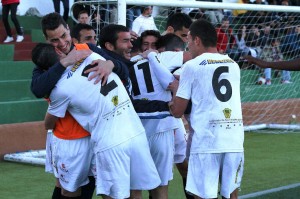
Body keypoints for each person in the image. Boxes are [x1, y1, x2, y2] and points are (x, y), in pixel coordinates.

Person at [42, 45, 161, 199]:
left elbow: (48, 124)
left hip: (111, 143)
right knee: (135, 193)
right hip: (136, 134)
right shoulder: (93, 57)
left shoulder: (60, 89)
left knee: (113, 196)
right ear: (59, 53)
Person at [168, 19, 244, 199]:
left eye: (188, 41)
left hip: (207, 141)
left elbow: (178, 111)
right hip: (234, 139)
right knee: (231, 195)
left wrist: (175, 92)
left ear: (197, 40)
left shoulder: (191, 66)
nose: (188, 46)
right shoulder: (233, 64)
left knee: (202, 196)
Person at [31, 43, 96, 199]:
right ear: (57, 52)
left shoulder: (48, 76)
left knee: (74, 184)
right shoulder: (58, 84)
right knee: (70, 188)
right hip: (68, 140)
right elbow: (48, 122)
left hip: (85, 136)